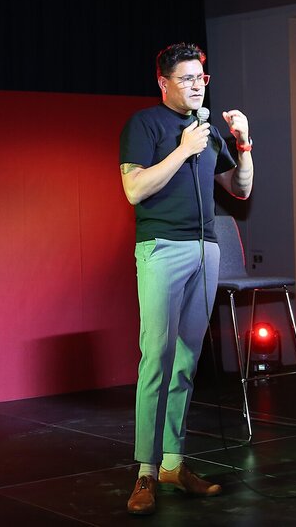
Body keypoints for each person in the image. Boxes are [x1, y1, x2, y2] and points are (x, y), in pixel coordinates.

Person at [119, 42, 253, 515]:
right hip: (161, 248)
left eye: (202, 78)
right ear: (164, 82)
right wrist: (182, 150)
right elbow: (134, 189)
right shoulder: (145, 124)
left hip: (205, 250)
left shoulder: (206, 129)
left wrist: (242, 143)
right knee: (156, 358)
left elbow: (240, 189)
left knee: (186, 361)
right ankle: (145, 471)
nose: (197, 86)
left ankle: (174, 464)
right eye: (187, 78)